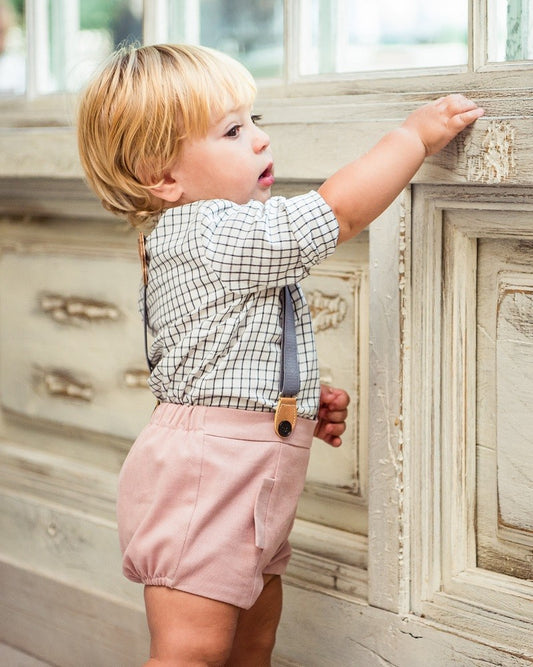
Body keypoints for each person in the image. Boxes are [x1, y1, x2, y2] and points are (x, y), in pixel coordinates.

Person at [77, 43, 483, 666]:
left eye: (255, 121)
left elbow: (225, 358)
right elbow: (337, 214)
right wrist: (412, 138)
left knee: (253, 640)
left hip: (246, 471)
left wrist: (290, 401)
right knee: (190, 651)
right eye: (234, 131)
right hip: (206, 476)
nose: (261, 141)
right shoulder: (207, 229)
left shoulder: (222, 233)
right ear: (163, 177)